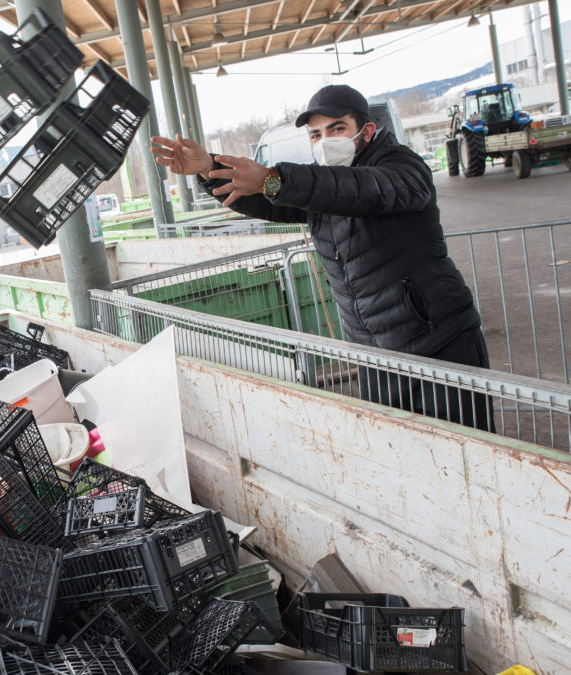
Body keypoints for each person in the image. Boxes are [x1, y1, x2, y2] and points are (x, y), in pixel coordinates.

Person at [151, 84, 492, 431]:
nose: (324, 140)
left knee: (466, 456)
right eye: (316, 133)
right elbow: (273, 199)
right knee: (404, 458)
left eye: (337, 128)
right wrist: (209, 167)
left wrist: (273, 179)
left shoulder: (402, 168)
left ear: (367, 130)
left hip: (437, 346)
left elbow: (359, 191)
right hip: (373, 356)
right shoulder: (320, 188)